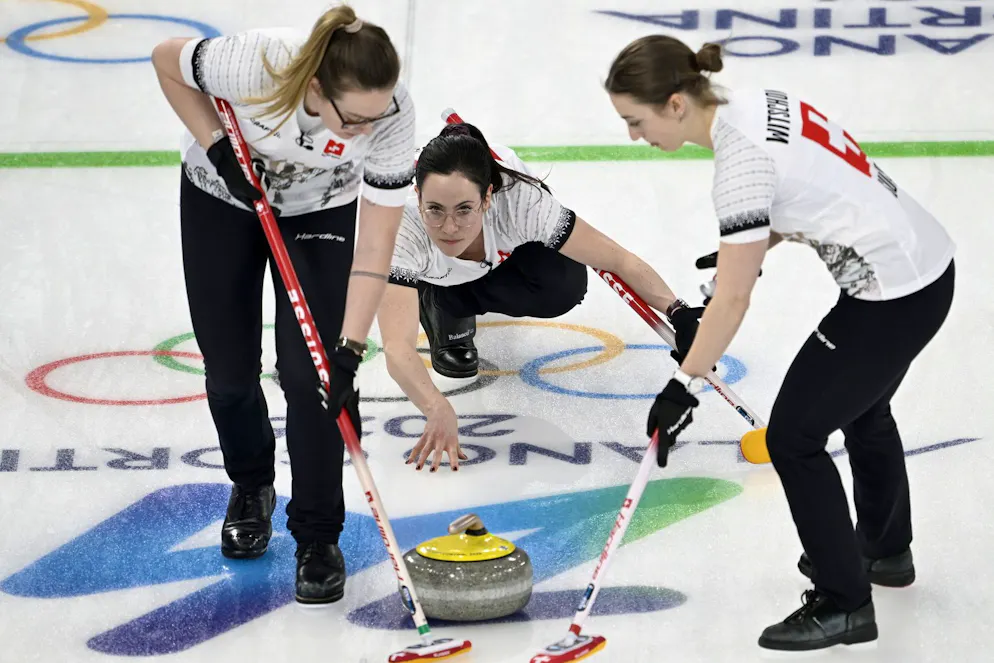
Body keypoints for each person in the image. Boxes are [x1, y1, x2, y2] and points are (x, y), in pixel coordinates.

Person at [604, 36, 955, 650]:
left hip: (893, 295)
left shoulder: (739, 169)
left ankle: (845, 603)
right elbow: (801, 195)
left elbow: (735, 301)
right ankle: (882, 552)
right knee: (863, 408)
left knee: (794, 437)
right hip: (926, 265)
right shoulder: (752, 102)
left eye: (636, 120)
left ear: (677, 103)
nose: (634, 134)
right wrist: (741, 258)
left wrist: (683, 383)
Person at [150, 5, 415, 604]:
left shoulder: (392, 115)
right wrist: (218, 147)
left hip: (322, 214)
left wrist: (348, 349)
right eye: (353, 119)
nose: (365, 132)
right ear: (316, 88)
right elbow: (166, 62)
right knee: (230, 370)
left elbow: (375, 248)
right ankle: (252, 485)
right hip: (222, 198)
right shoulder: (258, 64)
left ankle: (318, 536)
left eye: (377, 117)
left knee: (314, 377)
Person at [377, 122, 703, 471]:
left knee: (563, 285)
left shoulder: (521, 203)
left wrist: (678, 311)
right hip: (432, 272)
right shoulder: (399, 224)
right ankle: (442, 302)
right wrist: (436, 407)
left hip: (509, 250)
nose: (450, 226)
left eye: (464, 209)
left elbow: (616, 259)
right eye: (435, 209)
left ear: (487, 198)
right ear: (417, 194)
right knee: (432, 272)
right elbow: (397, 348)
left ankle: (459, 294)